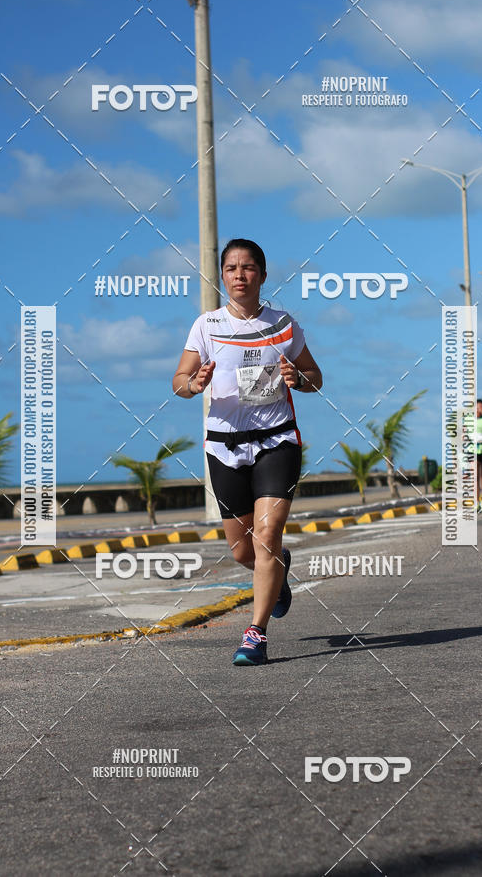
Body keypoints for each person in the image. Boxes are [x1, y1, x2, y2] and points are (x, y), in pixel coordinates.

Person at [172, 239, 322, 665]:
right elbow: (179, 381)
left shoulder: (283, 324)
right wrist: (193, 384)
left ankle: (255, 635)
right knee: (243, 550)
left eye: (249, 267)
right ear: (222, 276)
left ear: (262, 274)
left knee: (268, 536)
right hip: (224, 446)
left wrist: (299, 376)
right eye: (232, 268)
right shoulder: (207, 325)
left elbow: (315, 377)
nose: (240, 275)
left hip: (277, 440)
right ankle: (279, 572)